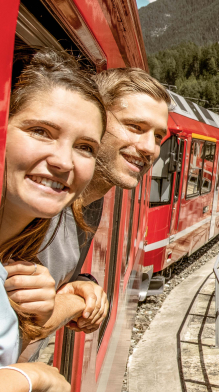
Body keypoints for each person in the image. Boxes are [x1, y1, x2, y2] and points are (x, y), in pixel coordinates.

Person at [27, 67, 171, 357]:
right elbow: (16, 328)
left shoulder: (91, 203)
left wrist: (79, 283)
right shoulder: (40, 204)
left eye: (158, 136)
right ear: (95, 120)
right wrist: (71, 303)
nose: (149, 148)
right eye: (135, 127)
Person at [0, 50, 107, 370]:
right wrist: (33, 379)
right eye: (41, 132)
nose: (63, 161)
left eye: (85, 147)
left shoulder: (33, 253)